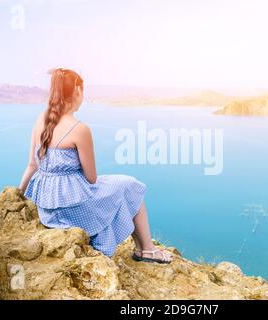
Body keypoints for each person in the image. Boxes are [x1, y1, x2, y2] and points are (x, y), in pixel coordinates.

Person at [18, 68, 172, 264]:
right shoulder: (79, 129)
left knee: (121, 186)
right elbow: (91, 178)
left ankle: (145, 249)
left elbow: (32, 165)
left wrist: (19, 193)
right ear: (77, 92)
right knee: (131, 185)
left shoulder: (41, 119)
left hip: (48, 213)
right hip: (72, 210)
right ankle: (147, 250)